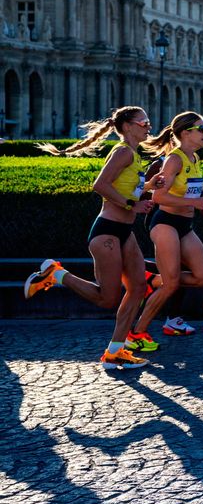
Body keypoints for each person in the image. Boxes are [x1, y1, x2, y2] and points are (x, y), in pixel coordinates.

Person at [25, 107, 160, 369]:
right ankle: (56, 274)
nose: (148, 126)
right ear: (128, 126)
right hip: (107, 231)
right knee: (107, 298)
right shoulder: (122, 152)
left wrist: (149, 188)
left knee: (138, 288)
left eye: (148, 122)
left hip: (124, 232)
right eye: (144, 122)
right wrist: (133, 206)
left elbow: (126, 189)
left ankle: (115, 351)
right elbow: (100, 185)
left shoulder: (133, 154)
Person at [130, 111, 203, 352]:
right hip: (165, 222)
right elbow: (159, 196)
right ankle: (136, 333)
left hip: (184, 225)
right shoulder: (174, 160)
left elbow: (189, 193)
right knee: (171, 284)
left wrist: (199, 203)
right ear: (186, 133)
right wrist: (194, 203)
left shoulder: (195, 158)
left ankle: (152, 279)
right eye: (202, 129)